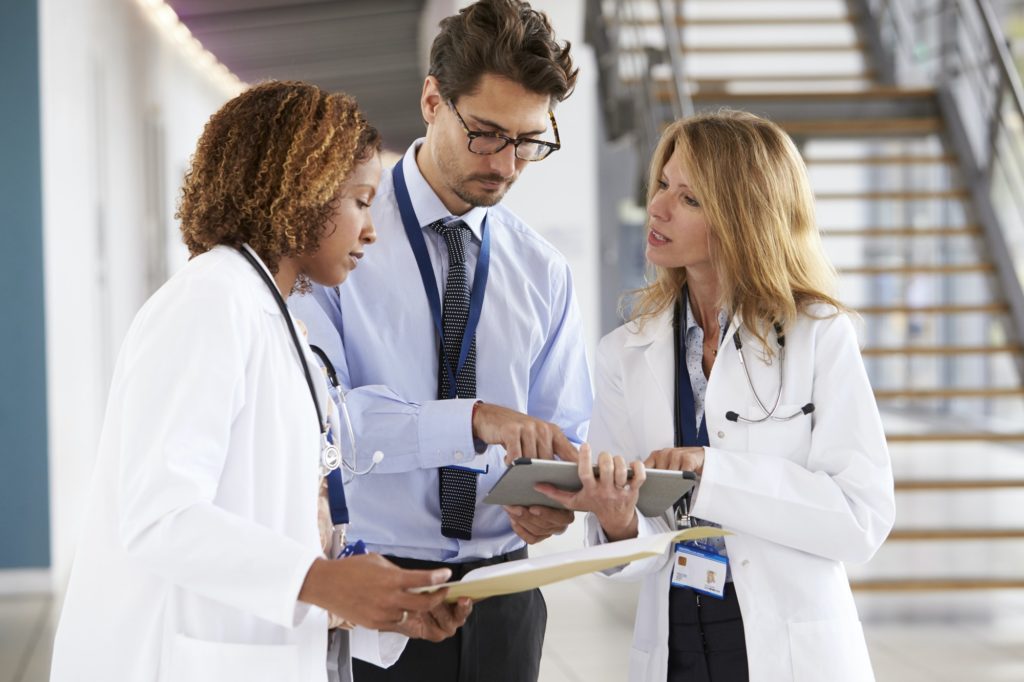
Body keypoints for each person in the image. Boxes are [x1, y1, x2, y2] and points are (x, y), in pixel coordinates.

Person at [50, 81, 471, 682]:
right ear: (303, 191)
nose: (371, 231)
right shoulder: (209, 301)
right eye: (359, 200)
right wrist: (323, 582)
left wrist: (374, 609)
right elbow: (160, 515)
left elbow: (273, 516)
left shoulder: (274, 317)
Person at [288, 2, 590, 680]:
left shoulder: (544, 271)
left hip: (506, 599)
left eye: (529, 141)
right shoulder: (339, 241)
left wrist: (545, 498)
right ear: (432, 99)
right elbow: (328, 425)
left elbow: (562, 427)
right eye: (486, 134)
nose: (507, 164)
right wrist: (475, 421)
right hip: (379, 593)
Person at [539, 110, 896, 681]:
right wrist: (618, 522)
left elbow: (861, 518)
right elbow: (629, 545)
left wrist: (713, 473)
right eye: (662, 184)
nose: (657, 207)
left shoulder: (819, 335)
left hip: (788, 650)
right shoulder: (623, 353)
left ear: (742, 215)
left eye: (690, 198)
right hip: (678, 643)